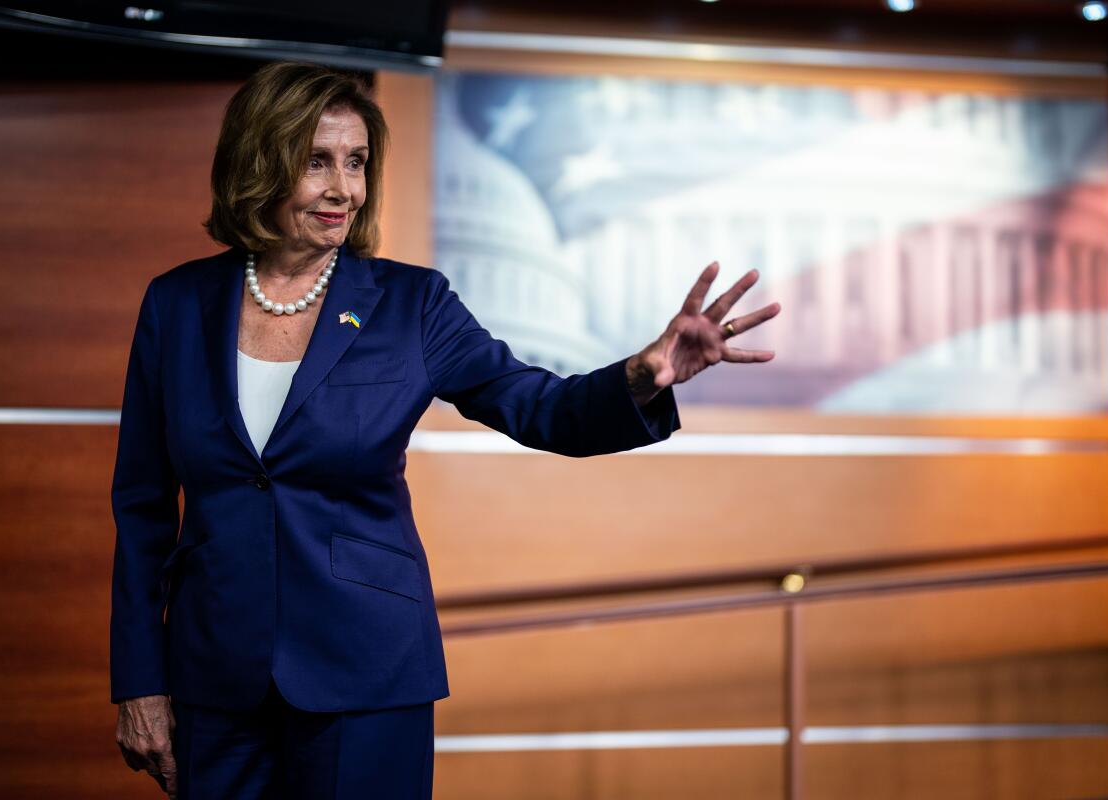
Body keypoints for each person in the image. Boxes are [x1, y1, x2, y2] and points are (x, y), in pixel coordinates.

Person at [110, 60, 781, 799]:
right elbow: (142, 510)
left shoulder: (413, 304)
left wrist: (641, 375)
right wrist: (140, 680)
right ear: (259, 161)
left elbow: (542, 406)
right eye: (317, 162)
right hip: (215, 676)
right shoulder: (175, 306)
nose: (343, 189)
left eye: (357, 163)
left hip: (366, 672)